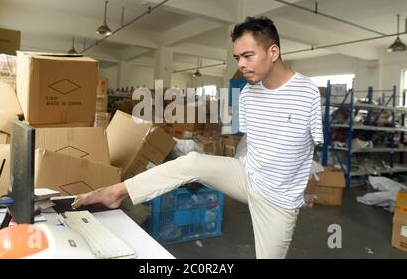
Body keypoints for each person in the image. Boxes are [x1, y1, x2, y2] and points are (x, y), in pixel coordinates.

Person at [72, 16, 323, 259]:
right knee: (192, 162)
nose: (241, 65)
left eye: (248, 56)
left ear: (273, 52)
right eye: (237, 57)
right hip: (247, 175)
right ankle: (116, 192)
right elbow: (251, 142)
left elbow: (308, 152)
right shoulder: (248, 94)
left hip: (278, 200)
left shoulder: (307, 92)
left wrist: (301, 191)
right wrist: (230, 162)